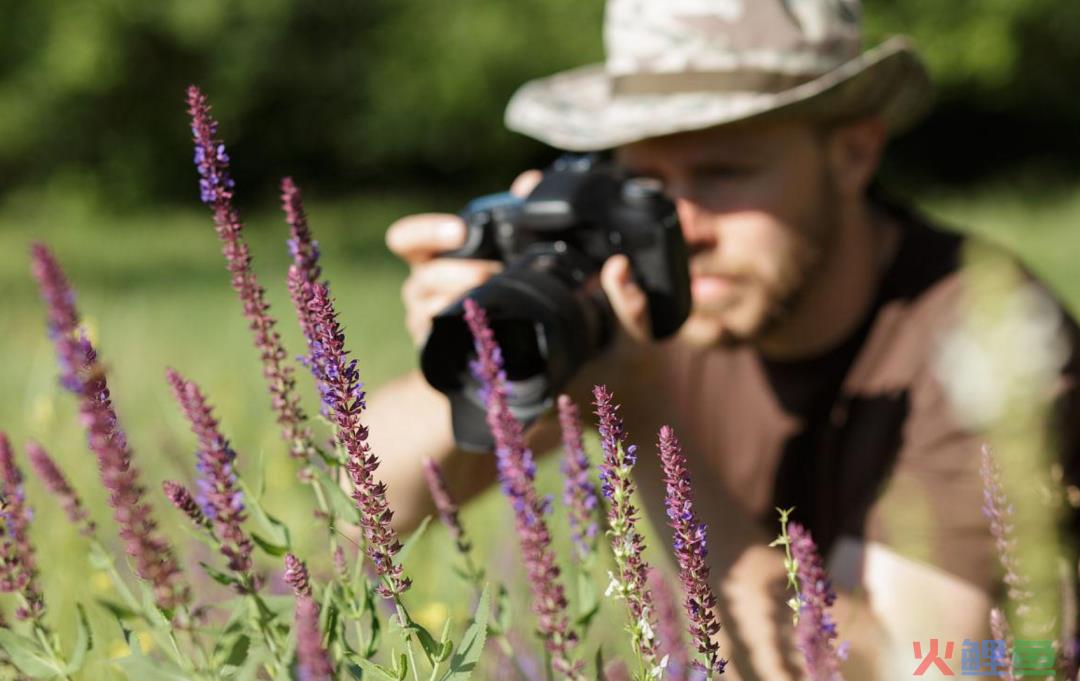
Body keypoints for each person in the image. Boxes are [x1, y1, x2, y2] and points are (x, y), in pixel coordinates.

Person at [364, 1, 1080, 678]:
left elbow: (921, 665)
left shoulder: (985, 340)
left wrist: (640, 416)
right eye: (646, 181)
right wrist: (487, 333)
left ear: (854, 152)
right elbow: (361, 512)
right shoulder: (645, 287)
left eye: (724, 173)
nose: (685, 226)